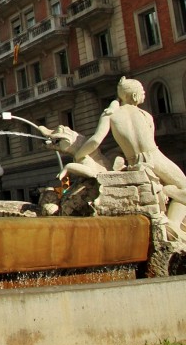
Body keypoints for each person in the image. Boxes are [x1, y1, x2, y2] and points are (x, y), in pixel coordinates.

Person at [77, 77, 186, 239]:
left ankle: (167, 202)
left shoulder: (110, 114)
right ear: (134, 96)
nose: (144, 94)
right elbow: (150, 141)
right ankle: (173, 223)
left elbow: (95, 140)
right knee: (184, 186)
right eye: (142, 92)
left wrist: (79, 154)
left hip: (134, 160)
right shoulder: (145, 114)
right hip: (155, 157)